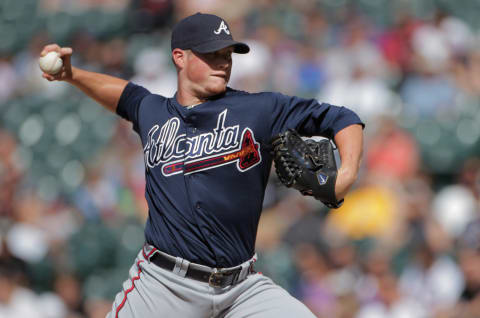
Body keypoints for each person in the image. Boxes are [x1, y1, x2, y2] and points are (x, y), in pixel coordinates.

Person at [40, 13, 364, 318]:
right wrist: (72, 74)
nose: (223, 63)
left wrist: (345, 175)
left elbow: (342, 119)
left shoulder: (260, 109)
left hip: (241, 288)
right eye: (212, 54)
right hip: (164, 284)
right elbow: (123, 95)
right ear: (180, 57)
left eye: (227, 55)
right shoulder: (152, 111)